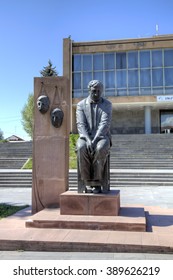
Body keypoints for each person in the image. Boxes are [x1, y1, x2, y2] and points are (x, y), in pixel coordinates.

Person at [76, 80, 112, 193]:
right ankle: (86, 181)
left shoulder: (107, 104)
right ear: (89, 90)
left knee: (100, 148)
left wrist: (95, 139)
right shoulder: (81, 105)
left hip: (101, 137)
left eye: (98, 91)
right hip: (85, 137)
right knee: (81, 148)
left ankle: (97, 182)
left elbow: (104, 123)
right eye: (93, 91)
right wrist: (87, 139)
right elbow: (80, 124)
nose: (96, 93)